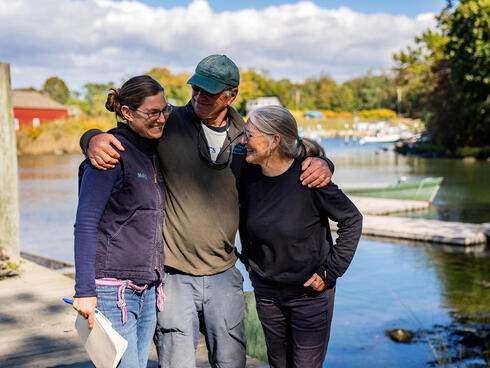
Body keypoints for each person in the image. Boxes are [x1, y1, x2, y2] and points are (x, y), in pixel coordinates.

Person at [79, 55, 334, 368]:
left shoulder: (249, 135)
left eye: (209, 93)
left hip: (224, 272)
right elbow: (124, 135)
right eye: (195, 89)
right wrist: (90, 138)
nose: (199, 97)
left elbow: (289, 161)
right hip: (172, 274)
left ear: (231, 95)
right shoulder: (167, 121)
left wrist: (324, 163)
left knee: (230, 362)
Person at [239, 105, 362, 368]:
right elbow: (244, 215)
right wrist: (248, 259)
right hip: (268, 293)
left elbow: (352, 220)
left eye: (249, 135)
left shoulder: (309, 178)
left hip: (309, 296)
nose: (242, 141)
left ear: (275, 141)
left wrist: (331, 272)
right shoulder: (247, 171)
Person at [73, 75, 168, 368]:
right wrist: (85, 291)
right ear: (126, 112)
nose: (162, 119)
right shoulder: (109, 155)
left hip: (147, 286)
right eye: (152, 113)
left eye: (165, 110)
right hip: (113, 291)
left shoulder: (151, 151)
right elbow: (86, 222)